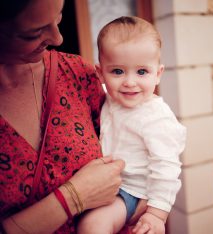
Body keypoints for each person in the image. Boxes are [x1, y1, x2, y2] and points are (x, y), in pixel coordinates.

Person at [0, 1, 147, 233]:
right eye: (33, 33)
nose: (58, 38)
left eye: (58, 17)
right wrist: (74, 197)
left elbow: (139, 161)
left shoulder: (78, 73)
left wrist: (151, 205)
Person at [77, 16, 186, 234]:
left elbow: (166, 166)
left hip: (132, 191)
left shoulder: (156, 117)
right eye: (117, 71)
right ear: (100, 73)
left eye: (142, 72)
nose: (129, 82)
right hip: (108, 183)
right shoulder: (109, 97)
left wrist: (156, 214)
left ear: (158, 74)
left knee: (92, 226)